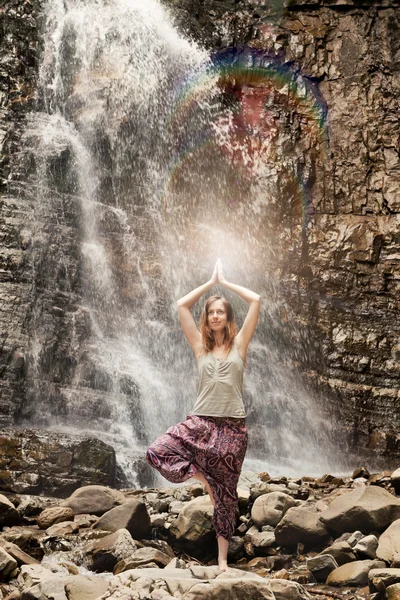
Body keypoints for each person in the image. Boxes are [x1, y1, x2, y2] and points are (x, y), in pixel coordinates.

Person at [146, 259, 260, 571]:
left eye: (220, 311)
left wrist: (227, 282)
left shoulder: (240, 345)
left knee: (227, 497)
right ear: (206, 319)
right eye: (210, 312)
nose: (215, 316)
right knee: (156, 451)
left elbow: (256, 300)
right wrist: (211, 283)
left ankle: (222, 561)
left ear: (228, 317)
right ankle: (202, 479)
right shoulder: (200, 347)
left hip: (232, 429)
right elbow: (182, 305)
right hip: (200, 422)